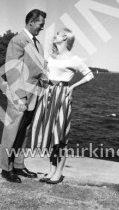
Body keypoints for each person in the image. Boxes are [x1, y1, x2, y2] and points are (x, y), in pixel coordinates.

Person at [31, 27, 94, 184]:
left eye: (58, 34)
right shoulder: (52, 57)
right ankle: (52, 169)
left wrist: (72, 87)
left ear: (65, 38)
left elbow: (89, 75)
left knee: (60, 135)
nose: (55, 36)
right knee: (50, 134)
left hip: (61, 95)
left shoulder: (74, 59)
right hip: (48, 94)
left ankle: (59, 172)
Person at [0, 9, 47, 183]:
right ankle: (6, 168)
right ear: (31, 22)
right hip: (19, 94)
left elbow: (40, 69)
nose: (42, 28)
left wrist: (49, 83)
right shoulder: (18, 40)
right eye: (40, 24)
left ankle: (18, 165)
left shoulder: (38, 44)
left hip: (34, 93)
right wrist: (20, 96)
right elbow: (12, 69)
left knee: (24, 131)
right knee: (12, 131)